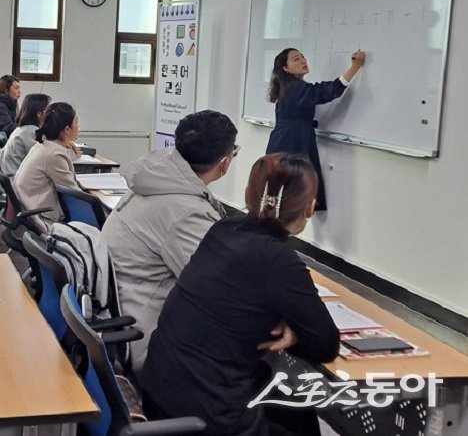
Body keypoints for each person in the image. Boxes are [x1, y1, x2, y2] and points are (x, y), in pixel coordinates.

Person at [140, 153, 340, 436]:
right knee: (294, 409)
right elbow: (326, 346)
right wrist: (294, 333)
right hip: (209, 413)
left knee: (293, 407)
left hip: (162, 388)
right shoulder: (278, 259)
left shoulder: (223, 230)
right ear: (309, 208)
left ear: (249, 194)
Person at [102, 110, 238, 371]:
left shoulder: (155, 180)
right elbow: (216, 290)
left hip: (120, 313)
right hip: (145, 335)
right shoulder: (185, 212)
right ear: (224, 163)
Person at [266, 48, 366, 210]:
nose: (303, 61)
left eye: (303, 57)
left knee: (283, 197)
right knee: (293, 197)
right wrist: (354, 67)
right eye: (296, 59)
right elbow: (327, 91)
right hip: (292, 145)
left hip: (286, 142)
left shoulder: (289, 86)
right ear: (285, 68)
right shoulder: (296, 88)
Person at [13, 102, 81, 227]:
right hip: (40, 217)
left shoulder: (44, 145)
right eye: (77, 122)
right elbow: (73, 193)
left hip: (28, 206)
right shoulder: (54, 154)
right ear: (66, 129)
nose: (79, 126)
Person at [0, 93, 51, 176]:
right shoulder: (31, 133)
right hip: (18, 182)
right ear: (39, 113)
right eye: (48, 110)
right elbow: (50, 159)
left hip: (15, 177)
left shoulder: (23, 129)